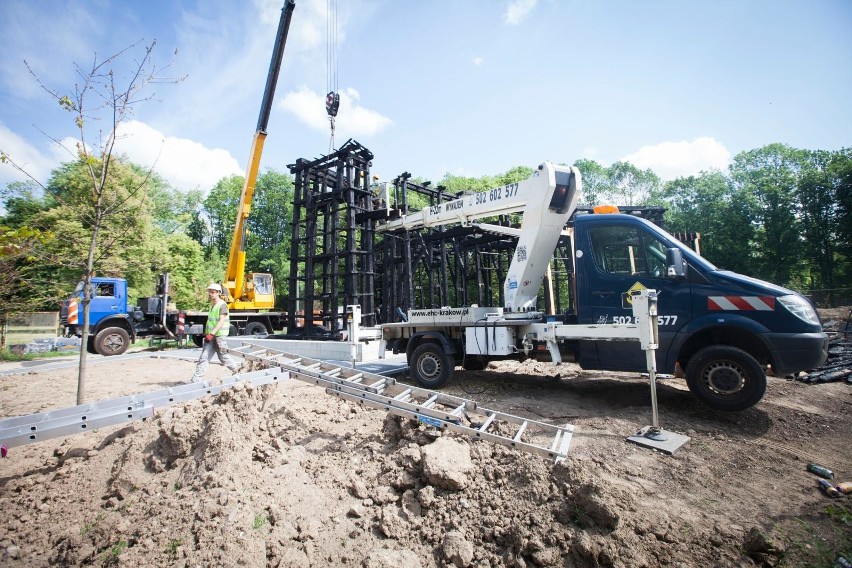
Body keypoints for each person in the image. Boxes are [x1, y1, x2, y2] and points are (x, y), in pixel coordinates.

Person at [191, 282, 242, 382]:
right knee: (204, 357)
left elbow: (221, 321)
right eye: (209, 292)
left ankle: (239, 373)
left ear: (218, 292)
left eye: (212, 292)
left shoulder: (222, 305)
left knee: (223, 357)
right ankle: (195, 380)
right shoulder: (212, 305)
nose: (210, 294)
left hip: (219, 336)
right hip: (212, 336)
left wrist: (212, 333)